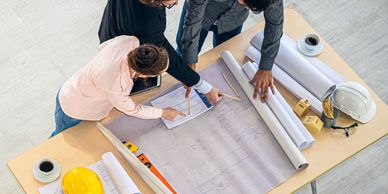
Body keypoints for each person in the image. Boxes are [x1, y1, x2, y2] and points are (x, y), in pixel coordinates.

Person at [51, 36, 185, 137]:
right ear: (143, 75)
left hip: (74, 86)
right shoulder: (115, 84)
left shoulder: (130, 41)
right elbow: (133, 109)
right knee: (58, 138)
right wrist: (164, 112)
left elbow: (103, 46)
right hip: (73, 108)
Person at [98, 0, 224, 104]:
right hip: (120, 49)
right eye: (167, 4)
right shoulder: (149, 24)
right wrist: (204, 87)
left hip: (112, 23)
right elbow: (166, 55)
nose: (176, 4)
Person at [176, 0, 284, 102]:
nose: (240, 3)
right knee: (182, 58)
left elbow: (274, 25)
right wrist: (189, 61)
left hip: (233, 21)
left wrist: (266, 67)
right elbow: (193, 19)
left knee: (224, 62)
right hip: (200, 12)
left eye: (246, 6)